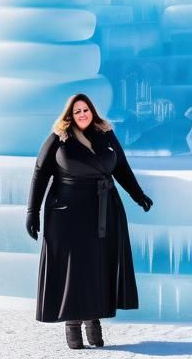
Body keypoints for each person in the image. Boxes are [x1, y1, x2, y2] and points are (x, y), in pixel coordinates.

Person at [26, 93, 153, 349]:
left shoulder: (106, 135)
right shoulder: (58, 138)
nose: (82, 114)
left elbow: (122, 168)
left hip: (102, 212)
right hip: (66, 213)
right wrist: (32, 211)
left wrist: (138, 196)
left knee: (96, 268)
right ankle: (72, 324)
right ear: (69, 116)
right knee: (73, 270)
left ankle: (93, 321)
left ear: (92, 111)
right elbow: (40, 174)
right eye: (77, 111)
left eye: (85, 109)